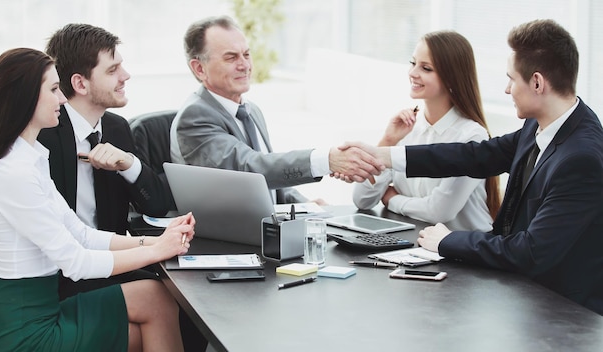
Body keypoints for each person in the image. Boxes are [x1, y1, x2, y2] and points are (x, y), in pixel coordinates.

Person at [339, 19, 603, 315]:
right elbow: (474, 156)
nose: (506, 89)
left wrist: (448, 241)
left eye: (511, 79)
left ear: (538, 82)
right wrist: (385, 154)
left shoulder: (582, 158)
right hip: (521, 296)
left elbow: (532, 252)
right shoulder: (538, 124)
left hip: (566, 314)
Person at [0, 47, 194, 351]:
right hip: (23, 328)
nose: (63, 99)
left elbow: (81, 235)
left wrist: (159, 241)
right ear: (24, 97)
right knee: (154, 316)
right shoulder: (13, 173)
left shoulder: (30, 159)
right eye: (54, 89)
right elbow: (75, 261)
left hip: (44, 307)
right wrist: (158, 250)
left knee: (155, 297)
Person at [39, 23, 209, 351]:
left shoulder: (116, 128)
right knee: (167, 299)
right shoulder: (45, 133)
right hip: (60, 274)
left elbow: (157, 205)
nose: (126, 76)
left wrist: (128, 164)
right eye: (114, 69)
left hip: (108, 263)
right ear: (80, 83)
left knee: (192, 301)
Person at [170, 15, 384, 205]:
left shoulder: (251, 111)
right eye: (231, 57)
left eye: (246, 54)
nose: (245, 65)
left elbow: (272, 182)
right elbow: (250, 169)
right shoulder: (194, 116)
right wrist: (326, 160)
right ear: (199, 68)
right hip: (229, 242)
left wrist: (308, 206)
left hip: (265, 231)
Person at [353, 31, 500, 232]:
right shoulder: (406, 127)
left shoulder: (471, 136)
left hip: (467, 256)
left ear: (451, 78)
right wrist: (388, 140)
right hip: (416, 249)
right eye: (412, 63)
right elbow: (362, 199)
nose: (413, 73)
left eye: (426, 68)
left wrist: (392, 199)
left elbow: (440, 212)